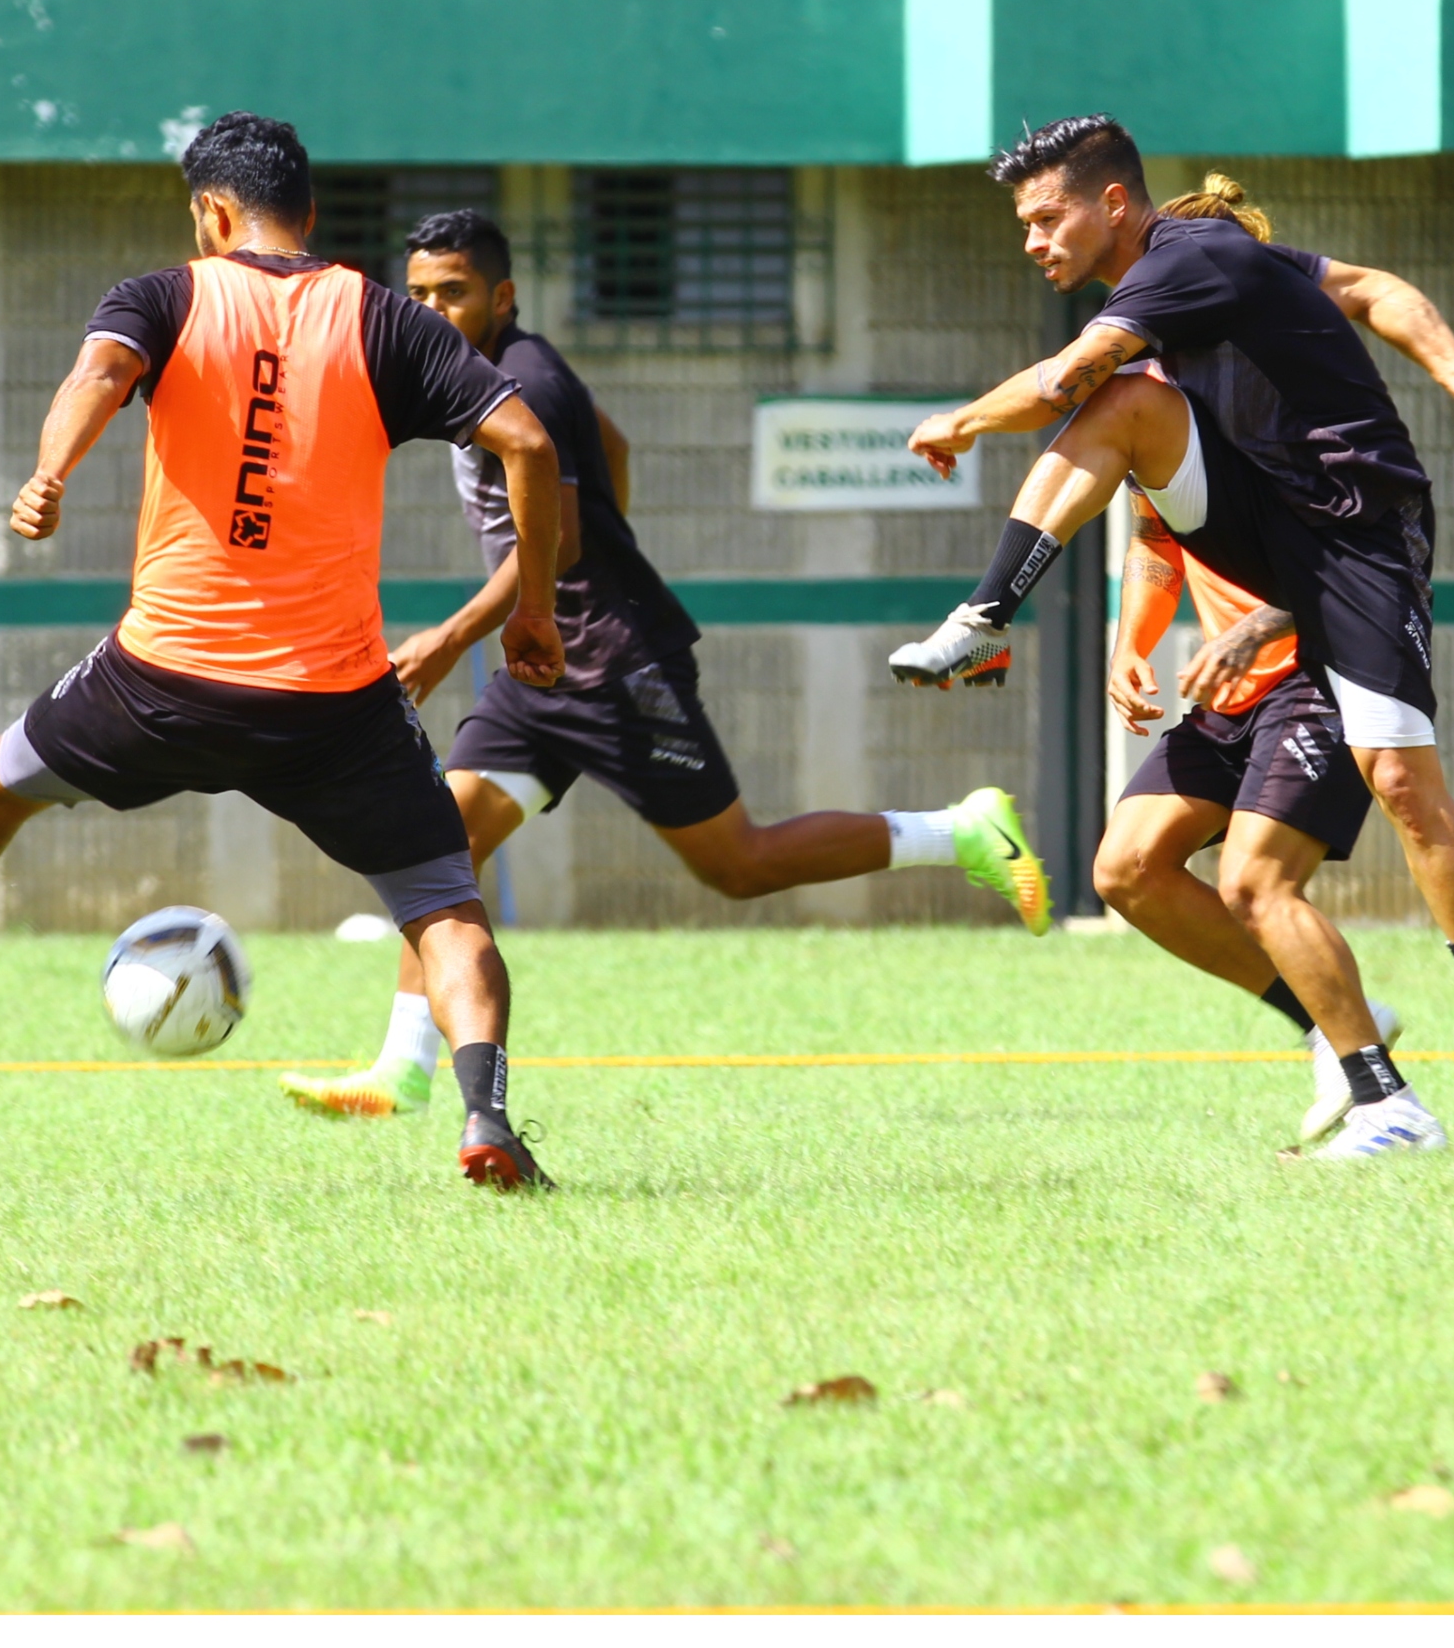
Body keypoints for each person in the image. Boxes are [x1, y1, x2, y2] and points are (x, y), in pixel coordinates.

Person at [0, 111, 574, 1188]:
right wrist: (532, 609)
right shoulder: (381, 317)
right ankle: (485, 1117)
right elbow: (527, 441)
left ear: (213, 213)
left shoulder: (164, 294)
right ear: (307, 217)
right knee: (446, 908)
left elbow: (98, 379)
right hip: (333, 704)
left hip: (156, 680)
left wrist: (50, 473)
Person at [280, 211, 1050, 1121]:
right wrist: (602, 547)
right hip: (541, 669)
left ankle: (962, 831)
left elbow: (558, 546)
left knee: (739, 863)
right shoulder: (487, 374)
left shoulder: (528, 379)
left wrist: (459, 634)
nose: (434, 310)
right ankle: (402, 1069)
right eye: (419, 294)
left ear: (503, 296)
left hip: (609, 663)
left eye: (453, 291)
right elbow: (616, 448)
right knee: (438, 846)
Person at [886, 123, 1454, 1077]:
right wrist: (1140, 635)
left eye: (1048, 218)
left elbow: (1059, 380)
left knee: (1403, 788)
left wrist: (958, 419)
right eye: (1025, 224)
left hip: (1363, 534)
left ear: (1114, 204)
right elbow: (1368, 290)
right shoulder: (1205, 282)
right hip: (1271, 532)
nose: (1034, 241)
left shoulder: (1183, 259)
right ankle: (984, 616)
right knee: (1127, 866)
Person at [1096, 453, 1439, 1157]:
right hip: (1230, 696)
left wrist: (1257, 628)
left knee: (1255, 883)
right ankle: (1333, 1021)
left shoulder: (1293, 420)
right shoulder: (1157, 419)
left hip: (1318, 677)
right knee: (1128, 869)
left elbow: (1367, 565)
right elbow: (1155, 543)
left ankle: (1392, 1110)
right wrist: (1132, 644)